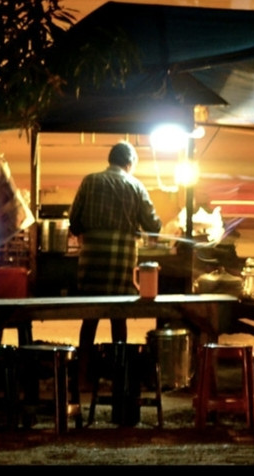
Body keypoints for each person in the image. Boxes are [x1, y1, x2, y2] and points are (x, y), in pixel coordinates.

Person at [68, 140, 163, 380]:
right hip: (121, 270)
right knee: (119, 320)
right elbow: (153, 225)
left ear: (110, 159)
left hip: (91, 269)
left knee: (89, 320)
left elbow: (74, 221)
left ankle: (83, 374)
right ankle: (120, 376)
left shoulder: (89, 181)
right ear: (130, 163)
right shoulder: (136, 186)